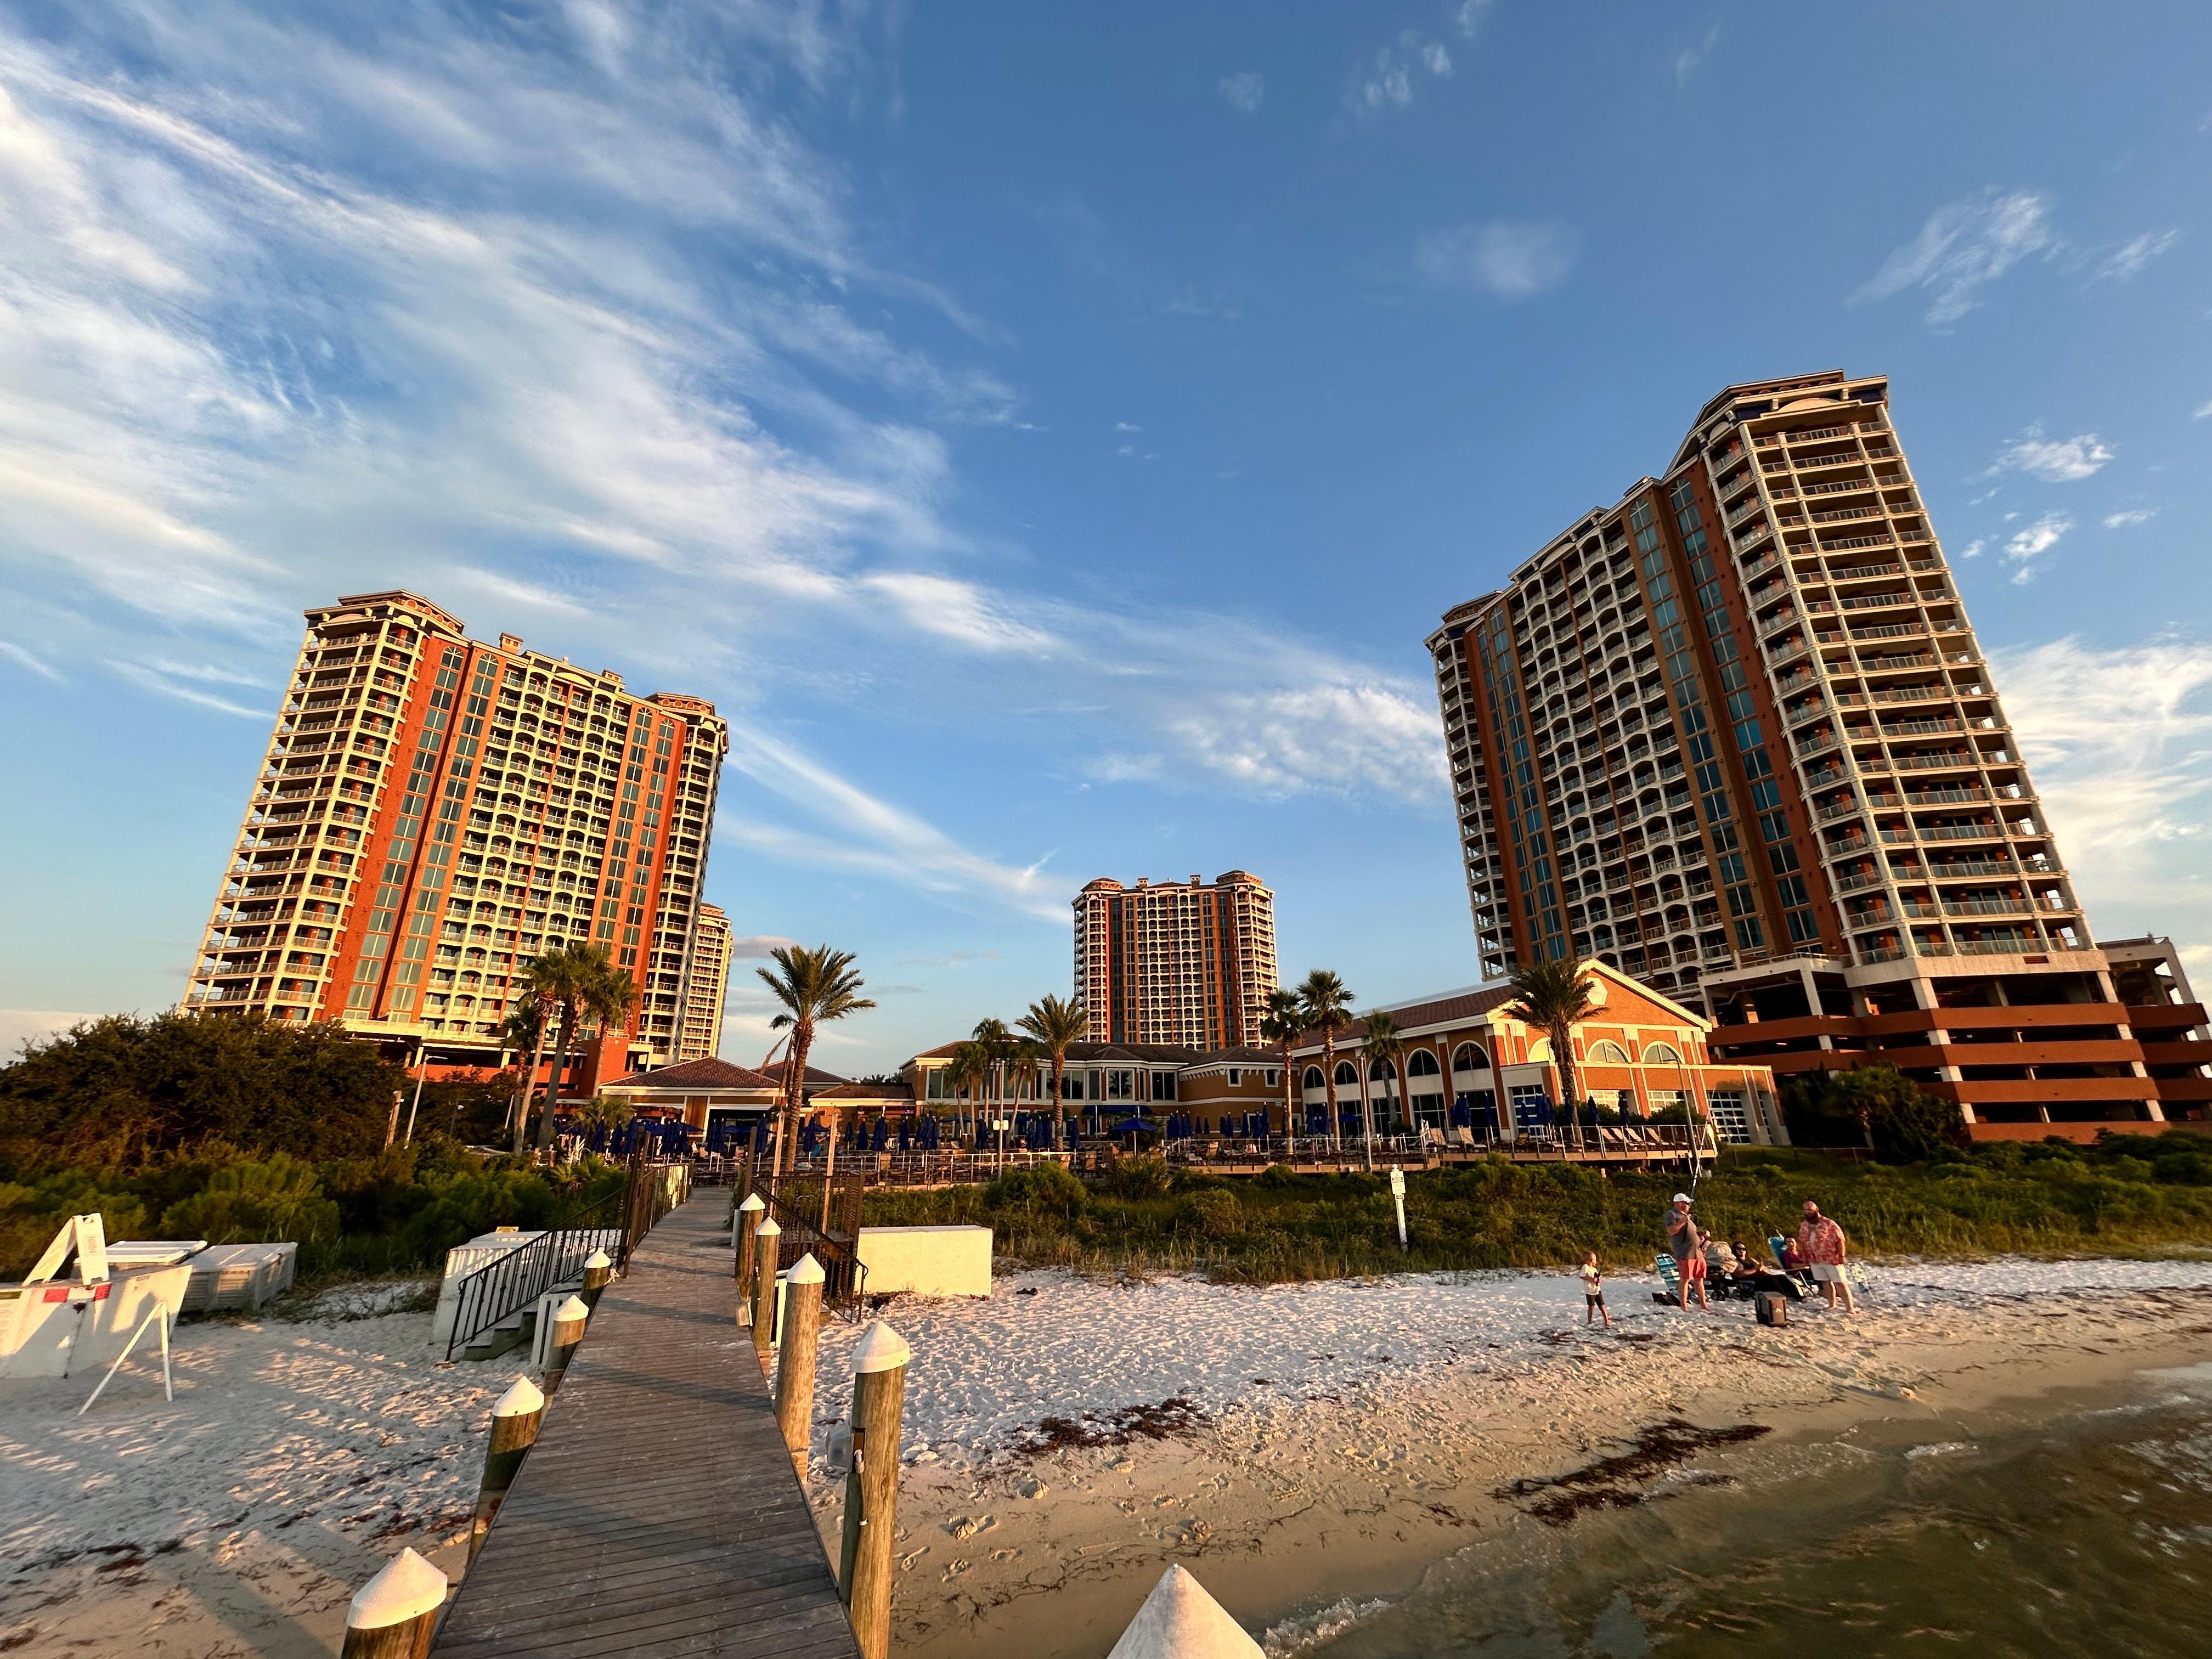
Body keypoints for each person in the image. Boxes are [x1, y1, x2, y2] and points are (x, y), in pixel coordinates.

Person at [1798, 1200, 1856, 1312]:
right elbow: (1803, 1242)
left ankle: (1850, 1308)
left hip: (1831, 1258)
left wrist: (1841, 1255)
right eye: (1806, 1210)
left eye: (1810, 1209)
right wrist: (1804, 1256)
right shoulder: (1804, 1225)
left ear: (1816, 1209)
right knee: (1825, 1282)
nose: (1808, 1212)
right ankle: (1832, 1304)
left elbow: (1840, 1240)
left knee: (1840, 1283)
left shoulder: (1829, 1224)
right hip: (1815, 1259)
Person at [1666, 1193, 1708, 1311]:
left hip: (1697, 1252)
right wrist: (1682, 1221)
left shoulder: (1688, 1216)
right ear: (1680, 1203)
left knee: (1699, 1279)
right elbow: (1671, 1230)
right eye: (1687, 1203)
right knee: (1685, 1279)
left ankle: (1703, 1305)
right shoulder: (1672, 1214)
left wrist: (1702, 1234)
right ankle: (1684, 1306)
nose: (1689, 1205)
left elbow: (1692, 1233)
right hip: (1685, 1253)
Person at [1578, 1251, 1611, 1329]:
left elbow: (1598, 1279)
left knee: (1602, 1306)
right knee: (1591, 1307)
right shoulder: (1586, 1267)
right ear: (1591, 1260)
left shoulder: (1595, 1269)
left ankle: (1606, 1321)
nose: (1597, 1261)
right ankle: (1589, 1321)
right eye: (1595, 1260)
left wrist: (1599, 1280)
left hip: (1597, 1290)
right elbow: (1582, 1276)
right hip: (1590, 1291)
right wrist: (1592, 1279)